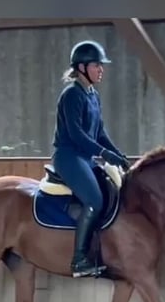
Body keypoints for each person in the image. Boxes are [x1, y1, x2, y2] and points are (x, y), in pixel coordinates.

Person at [51, 40, 131, 278]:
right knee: (95, 200)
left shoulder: (93, 95)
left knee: (111, 191)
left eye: (101, 65)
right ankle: (79, 260)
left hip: (85, 158)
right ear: (83, 67)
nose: (101, 70)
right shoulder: (71, 95)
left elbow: (100, 133)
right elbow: (77, 135)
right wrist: (104, 154)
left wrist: (118, 155)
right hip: (68, 156)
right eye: (97, 65)